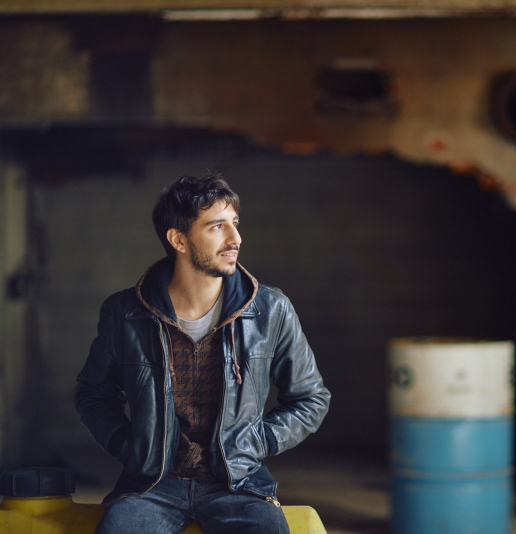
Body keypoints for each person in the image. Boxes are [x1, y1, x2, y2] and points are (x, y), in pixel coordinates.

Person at [75, 173, 331, 534]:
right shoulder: (126, 313)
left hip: (237, 484)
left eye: (235, 223)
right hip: (153, 485)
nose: (235, 238)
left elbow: (311, 398)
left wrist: (257, 441)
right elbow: (93, 393)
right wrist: (131, 447)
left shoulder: (270, 309)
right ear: (179, 239)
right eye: (217, 226)